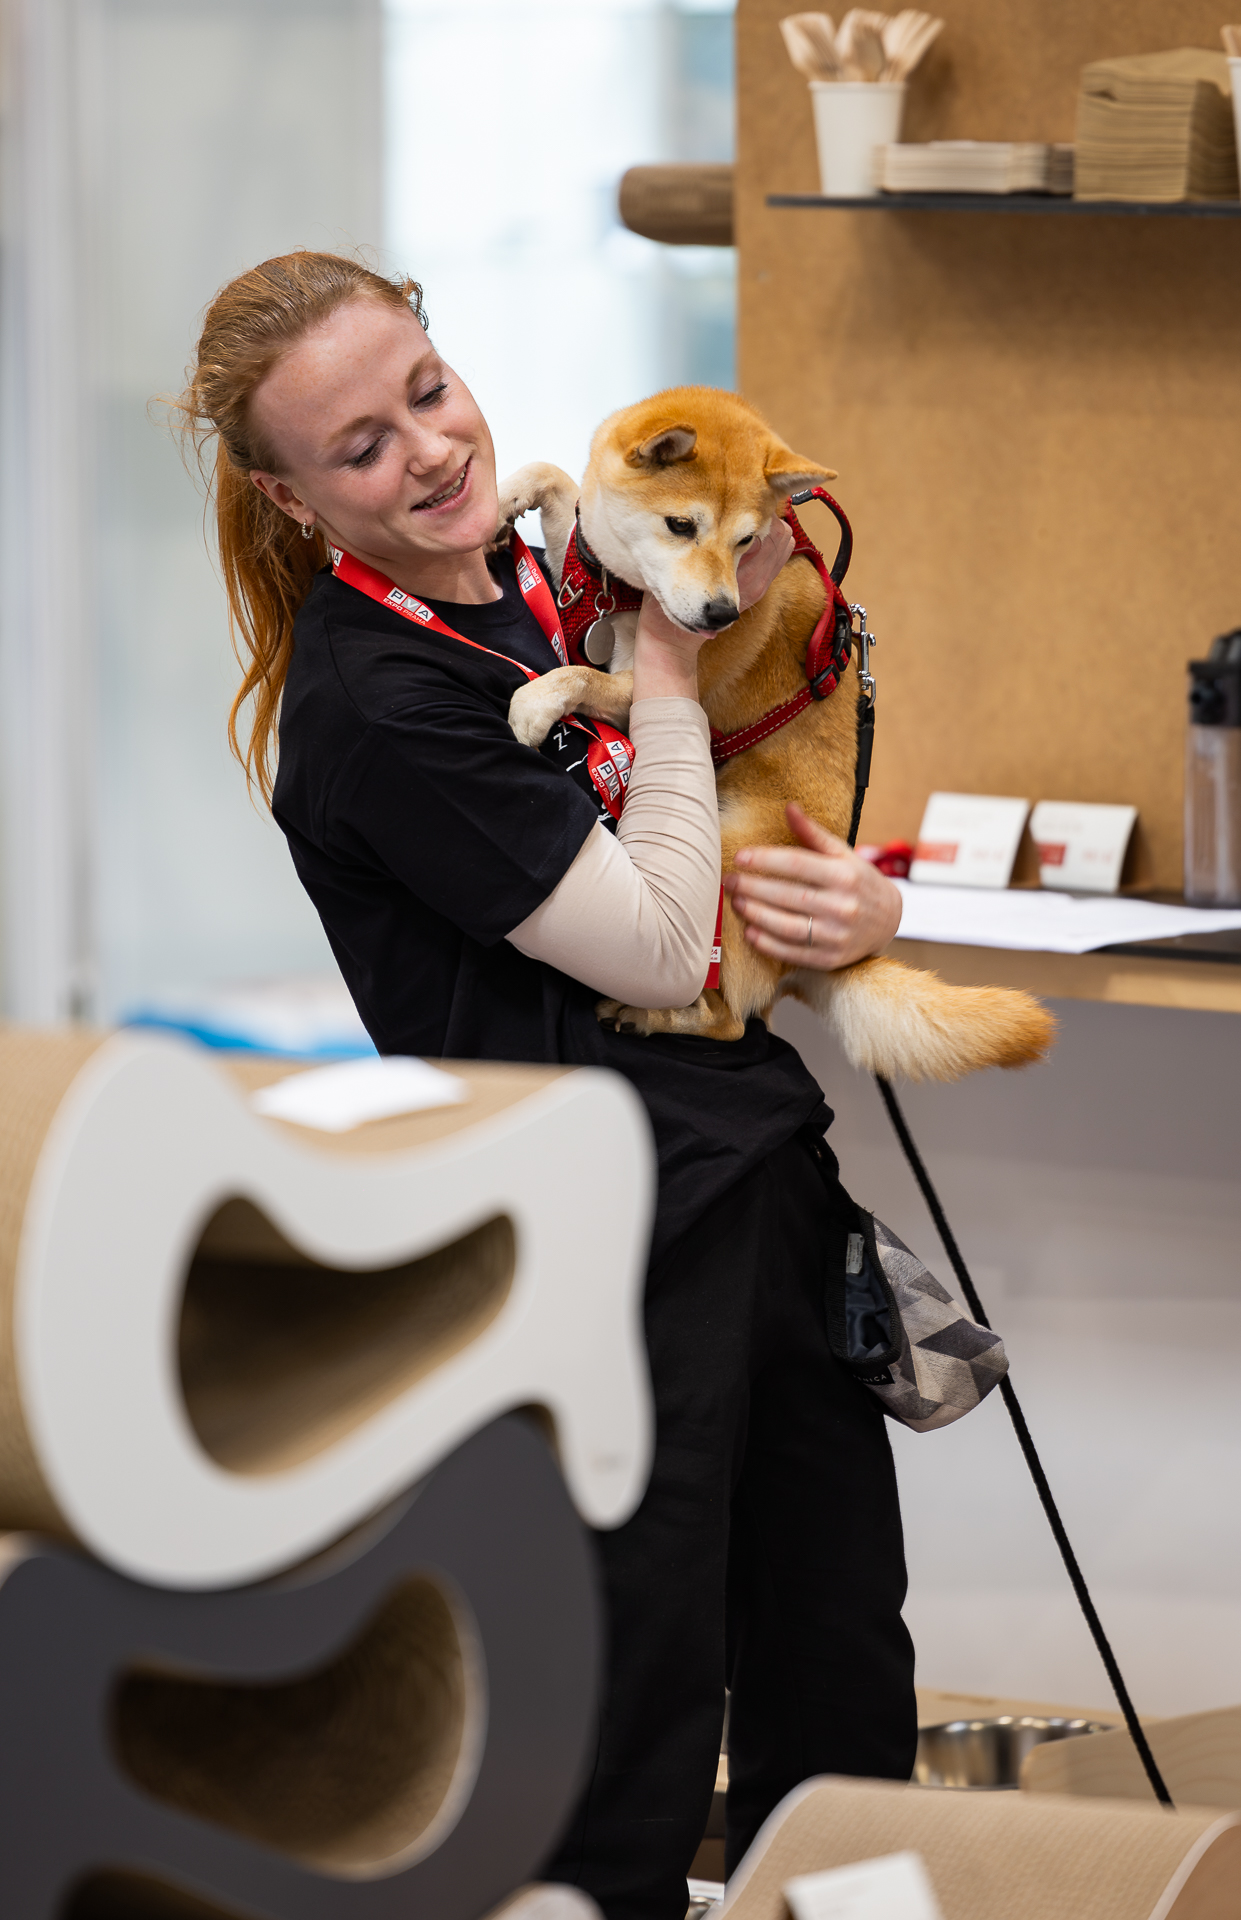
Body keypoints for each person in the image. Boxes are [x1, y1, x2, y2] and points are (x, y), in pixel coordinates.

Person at [178, 251, 916, 1920]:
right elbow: (654, 945)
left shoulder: (547, 568)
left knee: (841, 1679)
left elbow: (740, 844)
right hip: (596, 1246)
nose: (431, 450)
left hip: (752, 1177)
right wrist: (664, 675)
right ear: (292, 501)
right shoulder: (378, 704)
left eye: (427, 391)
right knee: (631, 1731)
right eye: (361, 447)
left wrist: (859, 913)